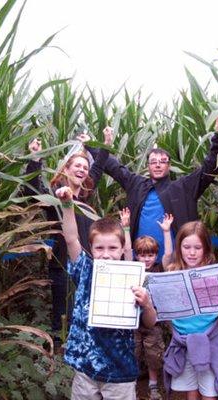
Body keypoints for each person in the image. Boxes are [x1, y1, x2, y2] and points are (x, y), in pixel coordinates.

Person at [54, 185, 157, 399]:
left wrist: (146, 304)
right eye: (100, 248)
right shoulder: (85, 269)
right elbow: (72, 239)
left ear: (122, 249)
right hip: (85, 367)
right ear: (91, 249)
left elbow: (151, 322)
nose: (106, 254)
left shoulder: (135, 277)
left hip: (120, 369)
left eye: (112, 248)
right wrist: (67, 205)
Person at [89, 115, 218, 263]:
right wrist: (90, 145)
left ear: (169, 166)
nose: (157, 165)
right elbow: (113, 166)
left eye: (163, 162)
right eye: (153, 162)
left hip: (174, 264)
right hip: (140, 262)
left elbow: (209, 168)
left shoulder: (183, 187)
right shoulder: (135, 183)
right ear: (147, 166)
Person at [23, 128, 113, 342]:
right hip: (62, 265)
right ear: (66, 169)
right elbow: (31, 191)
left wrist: (106, 144)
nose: (82, 170)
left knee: (86, 314)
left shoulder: (86, 197)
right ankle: (60, 358)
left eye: (85, 167)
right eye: (77, 166)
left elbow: (99, 166)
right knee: (62, 317)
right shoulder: (56, 198)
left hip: (88, 265)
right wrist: (35, 159)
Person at [163, 221, 218, 400]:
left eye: (197, 247)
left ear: (206, 249)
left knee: (210, 392)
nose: (192, 253)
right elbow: (166, 258)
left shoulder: (216, 275)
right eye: (186, 247)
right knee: (190, 390)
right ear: (180, 248)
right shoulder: (172, 273)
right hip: (181, 340)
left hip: (209, 341)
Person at [119, 210, 174, 399]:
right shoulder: (132, 267)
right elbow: (126, 251)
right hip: (132, 321)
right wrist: (126, 227)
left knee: (153, 355)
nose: (146, 259)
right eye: (142, 255)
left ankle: (152, 386)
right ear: (137, 256)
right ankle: (131, 385)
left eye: (150, 255)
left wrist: (166, 231)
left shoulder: (160, 268)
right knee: (131, 353)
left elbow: (168, 254)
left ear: (155, 255)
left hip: (153, 323)